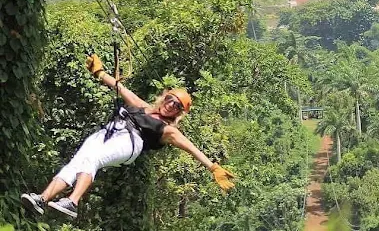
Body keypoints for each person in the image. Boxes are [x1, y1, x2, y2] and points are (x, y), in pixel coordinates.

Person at [21, 54, 235, 220]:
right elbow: (121, 89)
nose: (171, 105)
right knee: (75, 163)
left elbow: (190, 147)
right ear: (164, 98)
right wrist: (100, 73)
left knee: (92, 160)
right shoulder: (144, 107)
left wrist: (212, 167)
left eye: (176, 106)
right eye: (170, 100)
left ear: (178, 113)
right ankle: (42, 199)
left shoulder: (168, 130)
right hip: (107, 133)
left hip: (130, 142)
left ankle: (73, 202)